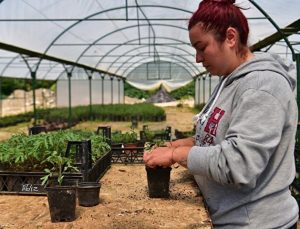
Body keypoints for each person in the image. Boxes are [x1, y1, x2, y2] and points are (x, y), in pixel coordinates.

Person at [143, 0, 299, 228]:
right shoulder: (228, 79)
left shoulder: (262, 86)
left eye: (201, 47)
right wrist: (179, 145)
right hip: (227, 215)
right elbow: (220, 139)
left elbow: (239, 165)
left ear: (230, 37)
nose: (197, 58)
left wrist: (178, 156)